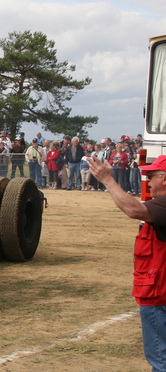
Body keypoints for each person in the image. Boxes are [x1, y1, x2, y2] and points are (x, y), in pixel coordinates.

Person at [89, 155, 166, 371]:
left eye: (151, 176)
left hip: (159, 295)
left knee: (161, 362)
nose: (148, 181)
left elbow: (134, 210)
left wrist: (108, 180)